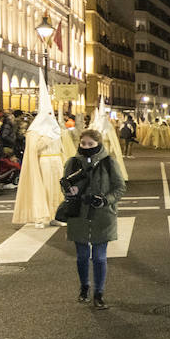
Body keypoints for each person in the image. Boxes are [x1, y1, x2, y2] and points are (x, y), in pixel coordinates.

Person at [60, 128, 127, 308]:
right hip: (79, 215)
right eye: (83, 144)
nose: (87, 147)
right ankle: (84, 288)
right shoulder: (72, 162)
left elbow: (120, 187)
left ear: (98, 144)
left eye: (91, 144)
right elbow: (65, 183)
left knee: (99, 257)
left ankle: (99, 293)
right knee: (82, 256)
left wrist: (105, 200)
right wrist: (70, 191)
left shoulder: (109, 162)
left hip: (103, 215)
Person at [12, 79, 65, 228]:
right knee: (44, 189)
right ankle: (41, 217)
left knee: (57, 190)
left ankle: (55, 215)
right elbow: (34, 148)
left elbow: (61, 148)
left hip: (56, 162)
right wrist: (49, 137)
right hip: (44, 163)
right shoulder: (34, 131)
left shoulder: (55, 129)